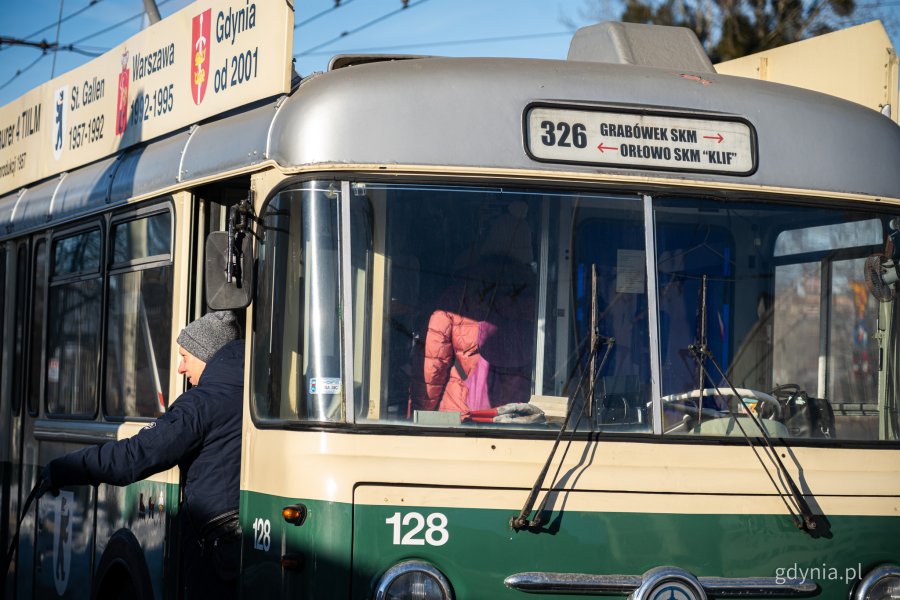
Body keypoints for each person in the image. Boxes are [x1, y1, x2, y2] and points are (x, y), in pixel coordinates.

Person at [39, 310, 244, 598]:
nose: (180, 369)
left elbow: (135, 456)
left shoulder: (202, 404)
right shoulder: (253, 393)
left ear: (206, 354)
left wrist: (65, 468)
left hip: (214, 549)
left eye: (185, 357)